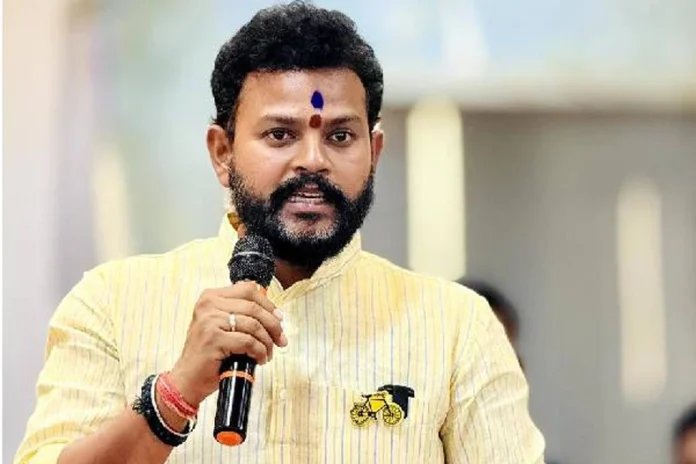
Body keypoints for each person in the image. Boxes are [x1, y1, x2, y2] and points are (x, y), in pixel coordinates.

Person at [15, 2, 545, 463]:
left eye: (341, 136)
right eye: (279, 134)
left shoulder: (457, 328)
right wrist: (174, 394)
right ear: (222, 153)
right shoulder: (111, 304)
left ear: (375, 153)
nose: (312, 160)